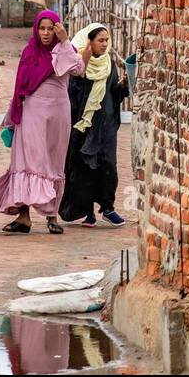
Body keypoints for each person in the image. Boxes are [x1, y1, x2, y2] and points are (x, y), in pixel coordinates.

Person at [0, 9, 83, 234]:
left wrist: (65, 41)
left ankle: (51, 216)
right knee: (28, 162)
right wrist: (11, 117)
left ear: (57, 29)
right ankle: (23, 216)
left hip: (58, 114)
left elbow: (78, 69)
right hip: (32, 113)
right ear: (36, 29)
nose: (46, 33)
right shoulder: (29, 52)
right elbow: (20, 87)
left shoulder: (64, 50)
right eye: (42, 28)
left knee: (53, 162)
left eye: (50, 29)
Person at [59, 24, 128, 227]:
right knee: (84, 168)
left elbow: (113, 96)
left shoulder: (109, 65)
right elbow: (72, 93)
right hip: (83, 125)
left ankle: (108, 208)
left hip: (105, 125)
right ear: (89, 42)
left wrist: (123, 87)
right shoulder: (77, 65)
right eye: (100, 40)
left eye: (107, 40)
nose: (105, 44)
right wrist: (84, 64)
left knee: (108, 166)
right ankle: (87, 211)